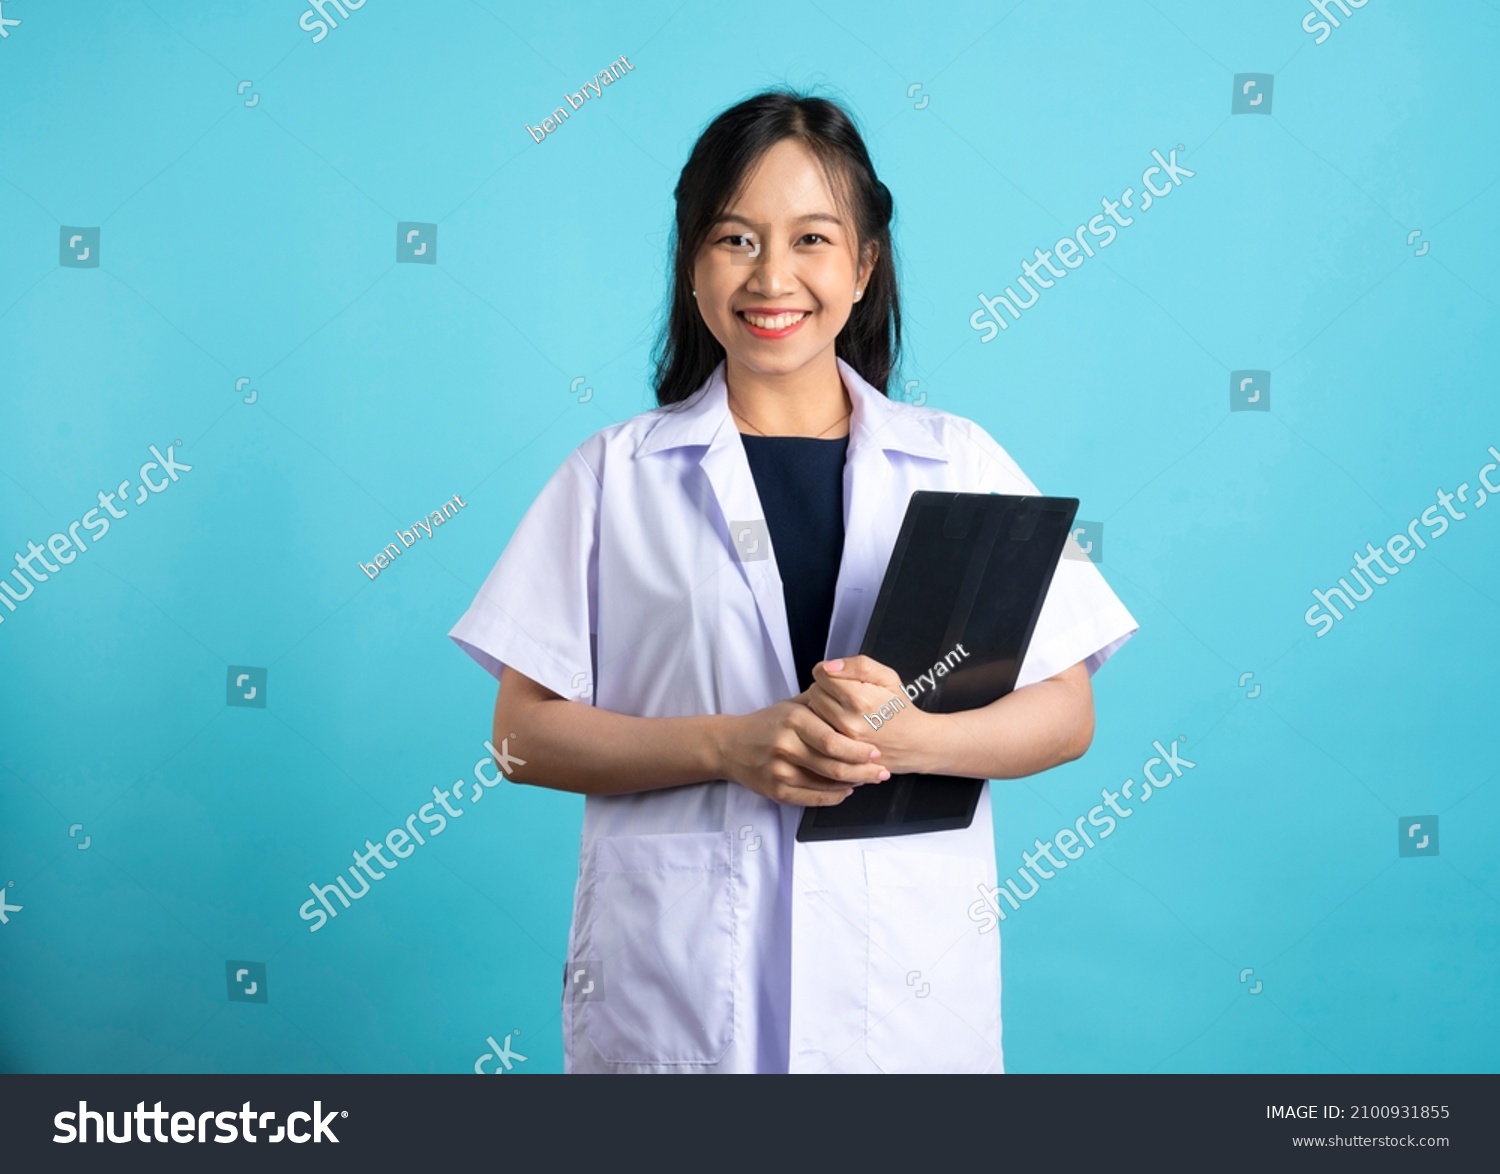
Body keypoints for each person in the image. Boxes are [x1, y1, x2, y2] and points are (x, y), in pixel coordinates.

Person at [450, 89, 1138, 1073]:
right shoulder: (614, 475)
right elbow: (520, 734)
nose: (773, 275)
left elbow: (1067, 712)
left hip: (899, 999)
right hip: (676, 993)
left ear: (862, 266)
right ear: (692, 266)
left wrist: (915, 741)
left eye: (812, 238)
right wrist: (729, 745)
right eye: (735, 239)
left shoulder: (959, 462)